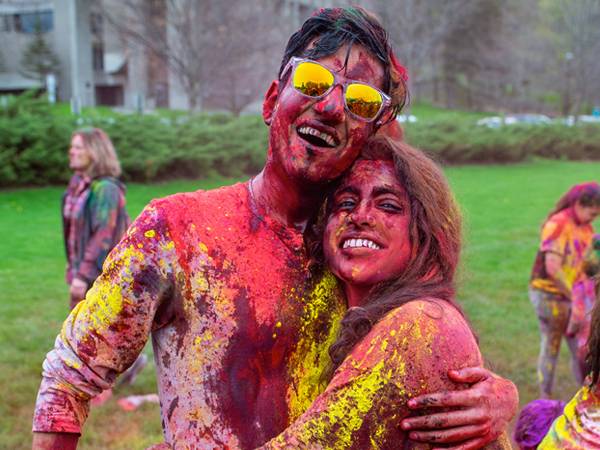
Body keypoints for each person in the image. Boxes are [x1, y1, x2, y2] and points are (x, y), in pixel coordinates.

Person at [32, 7, 517, 449]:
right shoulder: (178, 230)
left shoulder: (358, 251)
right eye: (310, 81)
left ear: (369, 134)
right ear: (271, 100)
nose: (329, 107)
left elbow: (427, 335)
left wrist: (494, 395)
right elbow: (68, 379)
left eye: (361, 101)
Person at [262, 136, 512, 448]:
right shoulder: (341, 312)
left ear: (426, 234)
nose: (361, 216)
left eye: (388, 205)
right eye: (346, 203)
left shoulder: (421, 324)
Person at [529, 182, 600, 398]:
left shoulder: (587, 228)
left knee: (582, 347)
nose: (593, 218)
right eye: (592, 212)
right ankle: (544, 398)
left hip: (573, 297)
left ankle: (589, 394)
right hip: (549, 295)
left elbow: (585, 266)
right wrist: (575, 298)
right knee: (552, 345)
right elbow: (552, 268)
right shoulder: (558, 224)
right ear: (579, 204)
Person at [515, 273, 600, 449]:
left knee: (550, 350)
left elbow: (577, 319)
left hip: (589, 352)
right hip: (588, 352)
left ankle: (545, 392)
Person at [63, 127, 129, 310]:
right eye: (72, 147)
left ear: (94, 152)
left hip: (101, 280)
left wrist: (82, 276)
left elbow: (103, 236)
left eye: (78, 148)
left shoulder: (106, 189)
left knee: (96, 336)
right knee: (79, 335)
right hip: (85, 275)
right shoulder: (78, 187)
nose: (71, 152)